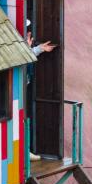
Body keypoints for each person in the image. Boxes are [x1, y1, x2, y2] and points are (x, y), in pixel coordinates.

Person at [25, 19, 56, 161]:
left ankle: (25, 151)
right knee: (21, 119)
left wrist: (39, 49)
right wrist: (33, 48)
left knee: (23, 118)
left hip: (22, 87)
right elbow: (21, 58)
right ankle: (24, 152)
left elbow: (26, 55)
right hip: (15, 90)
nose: (29, 35)